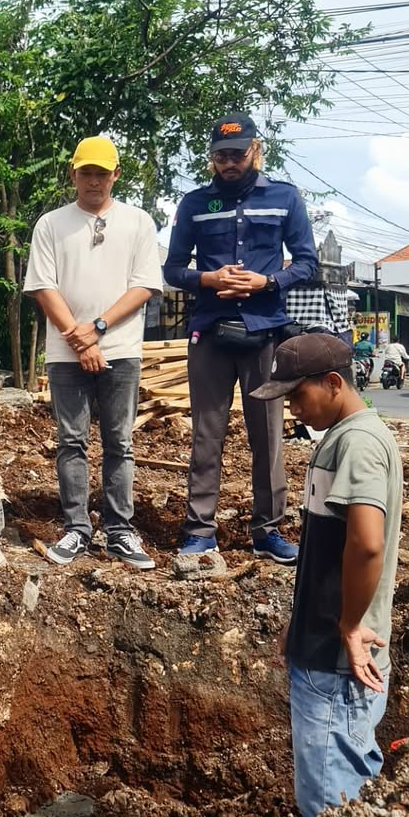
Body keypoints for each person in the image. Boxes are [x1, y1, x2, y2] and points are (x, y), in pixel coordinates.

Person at [249, 334, 401, 817]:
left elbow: (367, 544)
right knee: (346, 790)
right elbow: (329, 549)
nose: (292, 408)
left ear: (334, 383)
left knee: (331, 807)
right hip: (324, 644)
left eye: (297, 395)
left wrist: (350, 626)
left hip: (336, 662)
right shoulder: (345, 438)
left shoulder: (357, 444)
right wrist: (301, 618)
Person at [163, 113, 319, 565]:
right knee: (206, 434)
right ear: (212, 158)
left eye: (237, 154)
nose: (229, 163)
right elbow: (173, 269)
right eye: (221, 156)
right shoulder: (195, 203)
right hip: (210, 331)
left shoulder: (284, 197)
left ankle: (268, 531)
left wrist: (266, 282)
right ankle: (199, 531)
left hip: (264, 332)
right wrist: (209, 278)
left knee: (267, 437)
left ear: (255, 150)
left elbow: (307, 262)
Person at [24, 135, 163, 569]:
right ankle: (77, 529)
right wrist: (78, 338)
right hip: (66, 353)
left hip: (120, 349)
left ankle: (120, 530)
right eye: (86, 172)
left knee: (120, 442)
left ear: (116, 175)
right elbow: (43, 287)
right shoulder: (51, 225)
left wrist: (97, 328)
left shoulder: (138, 223)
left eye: (102, 173)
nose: (94, 181)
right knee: (72, 441)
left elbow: (143, 286)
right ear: (74, 174)